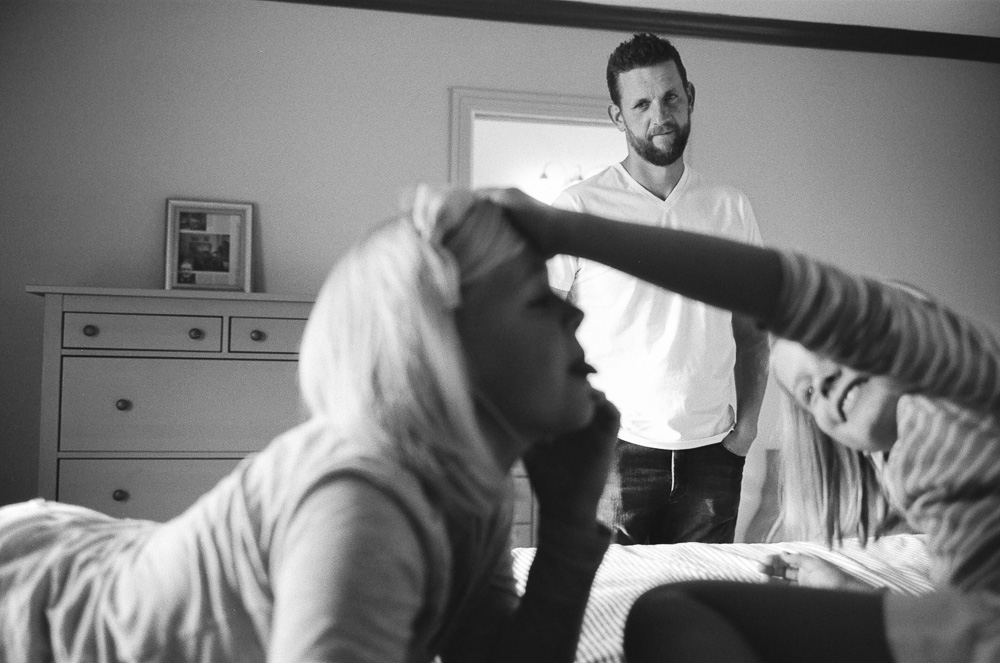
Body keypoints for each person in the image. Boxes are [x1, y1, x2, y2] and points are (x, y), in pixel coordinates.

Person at [0, 186, 619, 663]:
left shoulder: (471, 492)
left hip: (101, 547)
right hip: (35, 596)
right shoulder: (365, 496)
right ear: (443, 347)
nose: (577, 310)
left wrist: (567, 527)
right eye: (539, 299)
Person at [485, 186, 1000, 662]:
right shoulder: (912, 478)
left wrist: (566, 229)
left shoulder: (959, 384)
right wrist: (856, 597)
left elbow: (785, 288)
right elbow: (964, 609)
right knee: (665, 609)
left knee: (672, 608)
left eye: (833, 345)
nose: (822, 383)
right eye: (806, 393)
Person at [546, 32, 770, 545]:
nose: (659, 114)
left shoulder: (730, 208)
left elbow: (753, 333)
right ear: (617, 116)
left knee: (699, 603)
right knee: (613, 602)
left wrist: (747, 429)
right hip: (614, 452)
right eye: (641, 103)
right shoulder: (579, 208)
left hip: (716, 451)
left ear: (690, 96)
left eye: (670, 97)